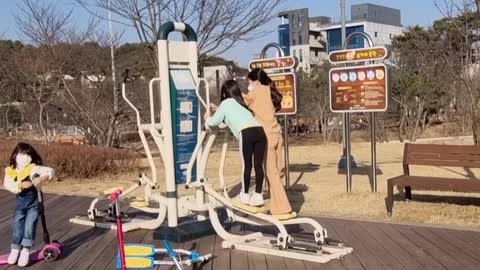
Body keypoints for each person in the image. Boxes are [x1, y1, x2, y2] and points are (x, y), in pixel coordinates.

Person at [205, 80, 267, 206]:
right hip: (260, 131)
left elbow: (213, 122)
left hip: (246, 133)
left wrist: (207, 117)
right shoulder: (240, 103)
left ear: (224, 93)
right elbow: (227, 122)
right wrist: (218, 110)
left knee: (247, 165)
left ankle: (244, 195)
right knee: (258, 165)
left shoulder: (225, 103)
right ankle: (258, 195)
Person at [244, 68, 294, 217]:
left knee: (271, 174)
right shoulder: (270, 90)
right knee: (276, 173)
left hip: (266, 137)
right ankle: (275, 206)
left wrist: (228, 93)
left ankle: (283, 208)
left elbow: (242, 101)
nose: (249, 85)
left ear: (256, 82)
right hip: (277, 134)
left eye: (250, 82)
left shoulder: (257, 91)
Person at [3, 143, 55, 267]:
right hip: (20, 204)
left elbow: (50, 171)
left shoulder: (33, 168)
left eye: (27, 154)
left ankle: (25, 250)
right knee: (17, 225)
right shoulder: (11, 170)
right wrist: (20, 185)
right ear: (15, 154)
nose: (24, 157)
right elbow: (7, 184)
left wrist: (41, 179)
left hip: (34, 203)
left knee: (29, 226)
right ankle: (15, 249)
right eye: (22, 154)